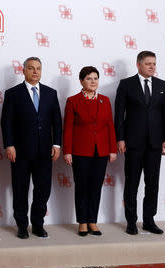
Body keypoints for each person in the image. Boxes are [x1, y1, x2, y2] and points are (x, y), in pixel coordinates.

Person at [1, 57, 62, 239]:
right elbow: (6, 122)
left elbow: (57, 122)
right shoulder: (13, 93)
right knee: (20, 188)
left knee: (43, 189)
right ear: (24, 70)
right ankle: (21, 225)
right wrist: (9, 145)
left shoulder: (51, 93)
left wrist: (57, 144)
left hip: (45, 152)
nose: (35, 71)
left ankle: (38, 224)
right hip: (20, 151)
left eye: (38, 68)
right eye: (31, 68)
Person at [114, 51, 165, 235]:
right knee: (132, 183)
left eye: (154, 64)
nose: (152, 67)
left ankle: (149, 220)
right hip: (133, 143)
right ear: (138, 64)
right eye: (148, 64)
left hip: (155, 143)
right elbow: (119, 114)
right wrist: (120, 138)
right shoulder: (126, 85)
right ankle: (131, 221)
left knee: (152, 183)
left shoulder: (162, 85)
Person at [63, 66, 117, 236]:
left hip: (101, 151)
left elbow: (110, 125)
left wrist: (112, 149)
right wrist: (67, 151)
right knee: (82, 187)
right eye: (89, 78)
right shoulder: (73, 101)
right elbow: (68, 128)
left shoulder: (105, 100)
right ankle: (82, 222)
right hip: (80, 151)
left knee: (96, 187)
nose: (93, 82)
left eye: (95, 78)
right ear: (81, 81)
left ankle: (93, 221)